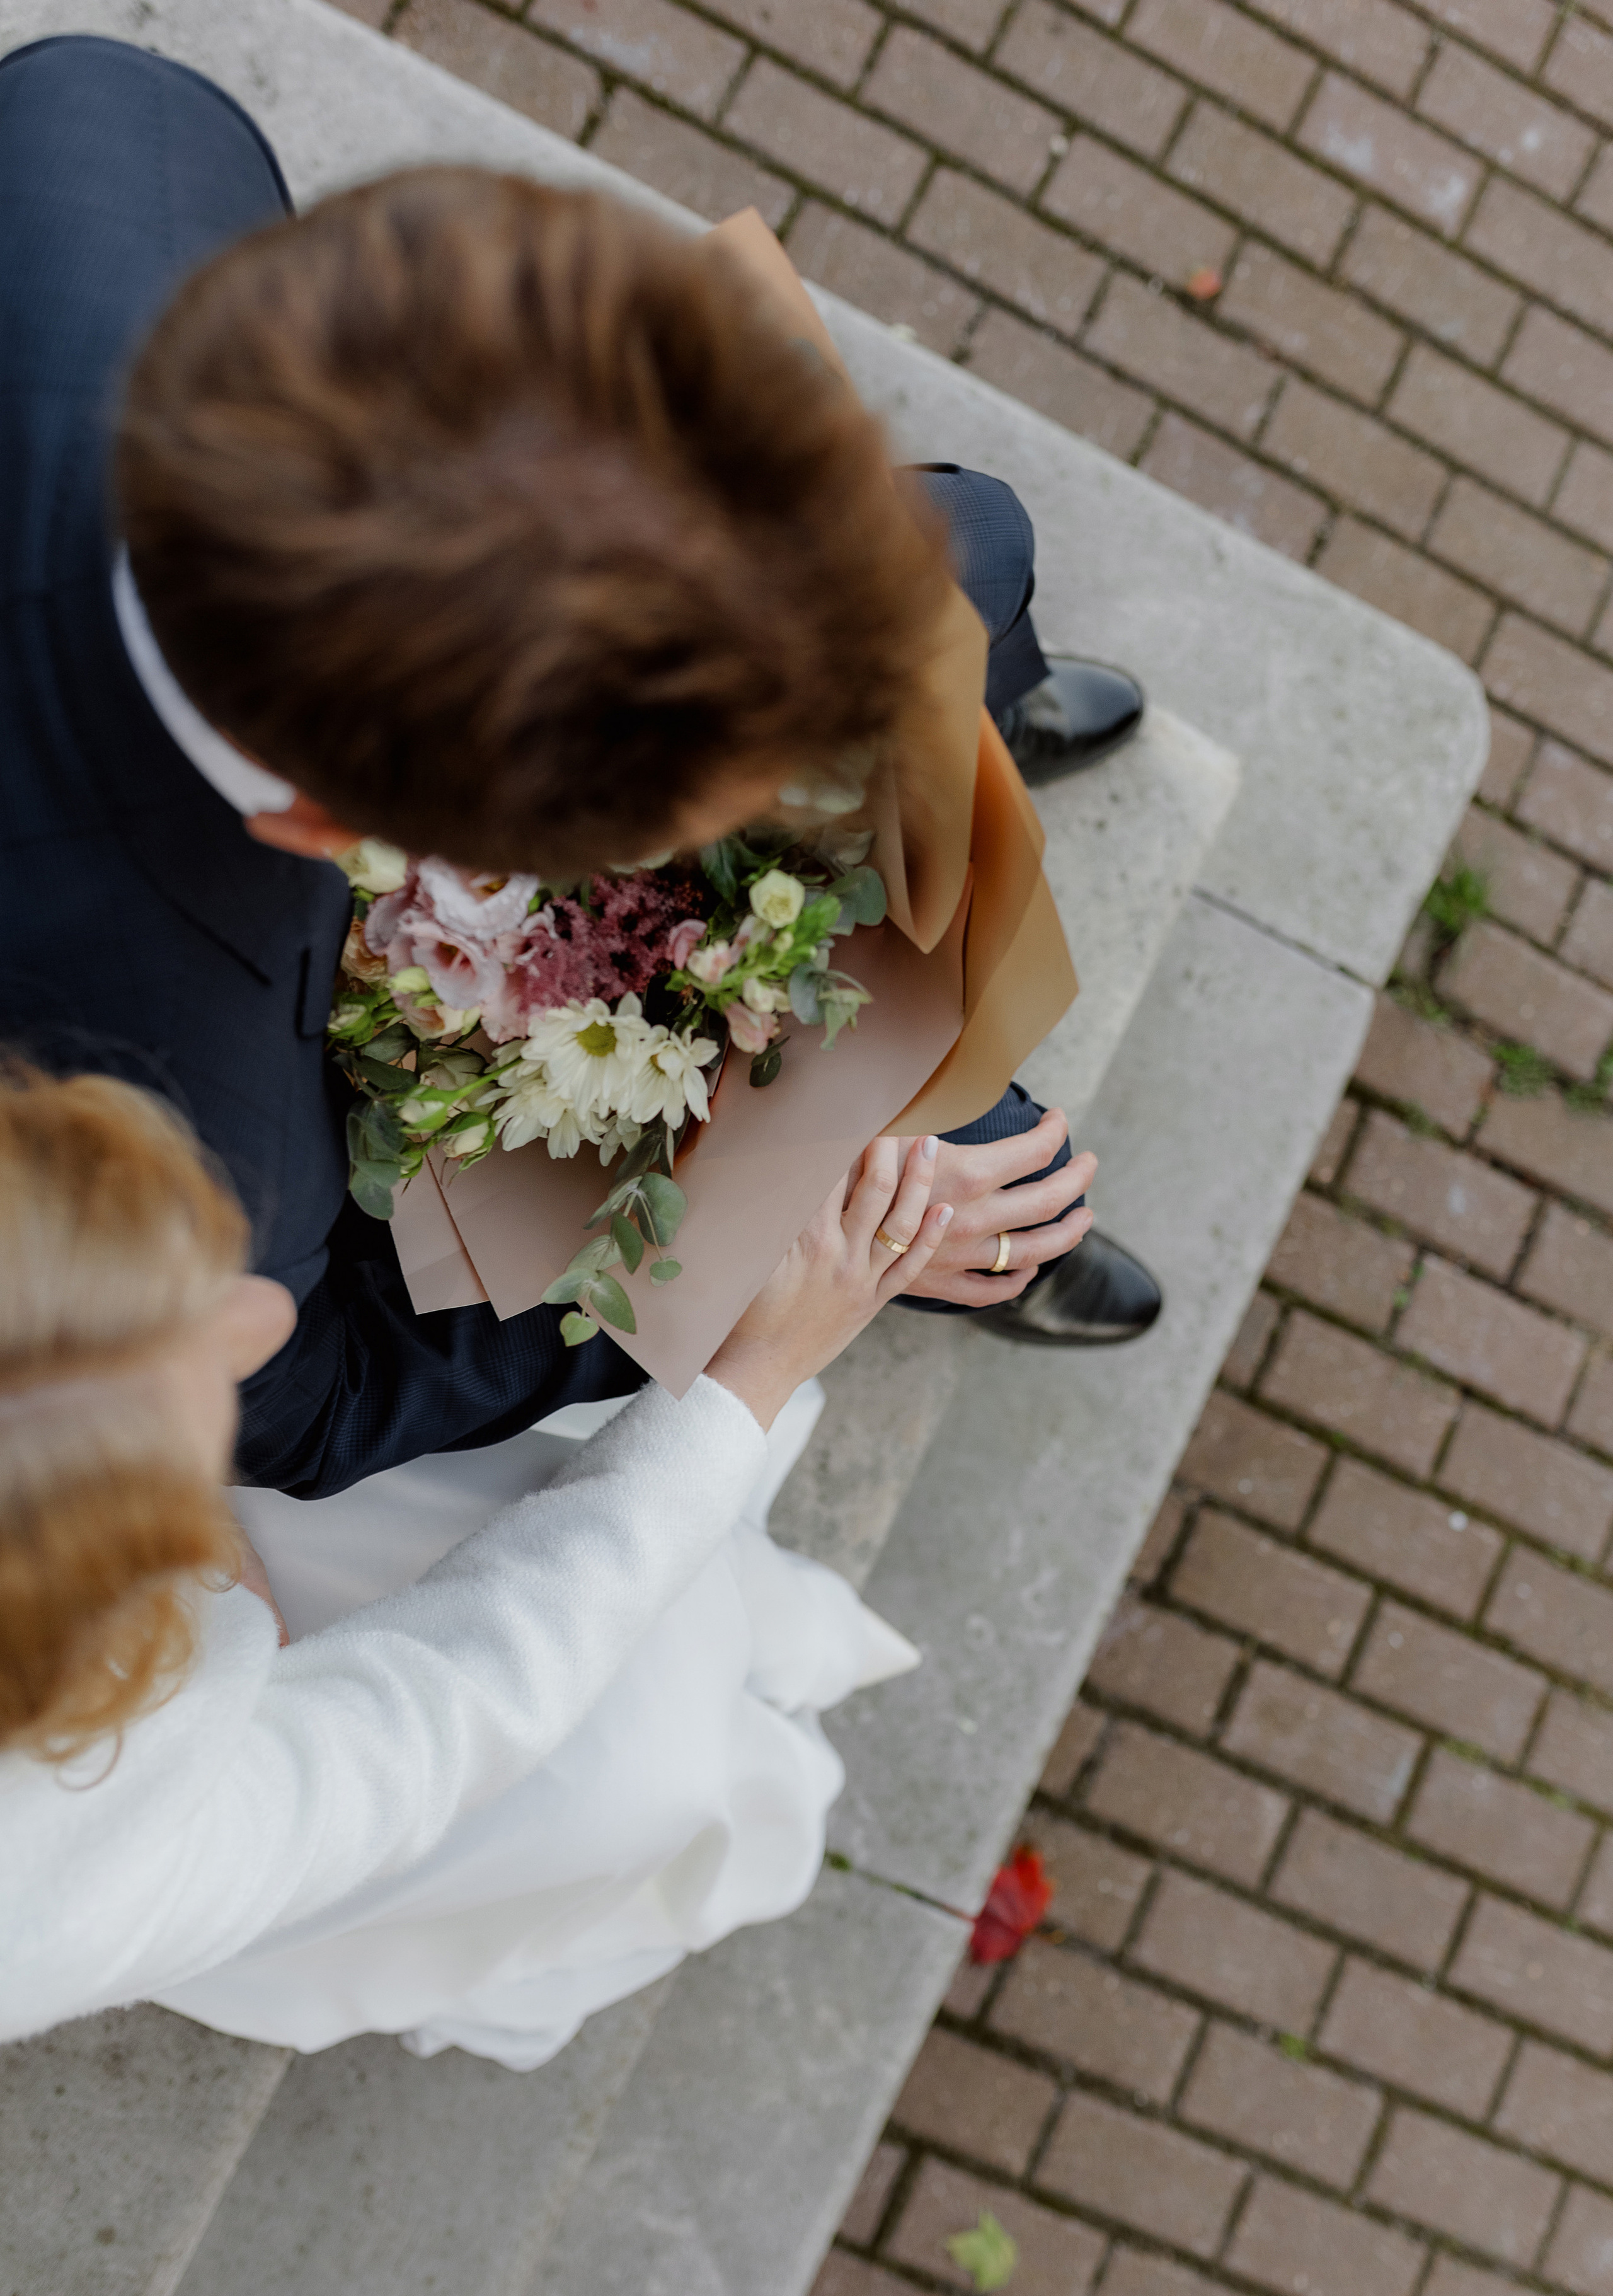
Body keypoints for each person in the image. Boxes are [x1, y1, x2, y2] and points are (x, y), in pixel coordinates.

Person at [0, 36, 1159, 1502]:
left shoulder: (120, 140)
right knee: (973, 1160)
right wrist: (766, 1247)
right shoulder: (193, 1159)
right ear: (381, 839)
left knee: (966, 551)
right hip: (372, 1089)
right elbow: (314, 1404)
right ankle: (966, 1251)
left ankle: (993, 724)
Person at [0, 1063, 986, 2065]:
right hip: (226, 1770)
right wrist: (755, 1376)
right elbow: (444, 1716)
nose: (263, 1321)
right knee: (629, 1776)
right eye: (176, 1363)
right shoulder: (63, 1881)